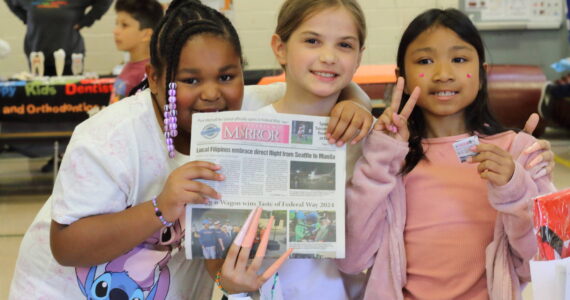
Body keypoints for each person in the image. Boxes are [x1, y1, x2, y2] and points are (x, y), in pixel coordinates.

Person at [9, 1, 372, 298]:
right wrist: (160, 208)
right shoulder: (108, 137)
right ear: (153, 78)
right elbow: (66, 246)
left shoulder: (244, 112)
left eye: (227, 76)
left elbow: (311, 91)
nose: (211, 94)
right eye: (190, 79)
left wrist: (357, 102)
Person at [336, 8, 557, 300]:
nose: (442, 75)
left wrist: (515, 188)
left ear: (482, 74)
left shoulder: (516, 153)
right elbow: (352, 259)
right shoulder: (388, 153)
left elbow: (544, 261)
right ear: (400, 76)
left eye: (459, 59)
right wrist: (381, 158)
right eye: (425, 61)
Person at [210, 1, 369, 299]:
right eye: (312, 41)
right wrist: (226, 281)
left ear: (359, 56)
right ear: (280, 48)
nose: (328, 57)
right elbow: (215, 254)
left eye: (345, 45)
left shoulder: (369, 141)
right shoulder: (239, 135)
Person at [4, 0, 112, 76]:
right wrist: (25, 17)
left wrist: (87, 21)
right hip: (37, 54)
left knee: (70, 102)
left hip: (70, 56)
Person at [109, 0, 164, 104]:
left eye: (124, 25)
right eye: (117, 23)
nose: (115, 31)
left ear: (146, 34)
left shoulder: (148, 74)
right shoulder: (131, 65)